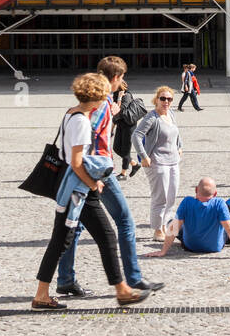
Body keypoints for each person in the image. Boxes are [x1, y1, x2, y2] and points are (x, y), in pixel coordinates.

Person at [33, 72, 153, 311]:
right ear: (98, 97)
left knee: (76, 239)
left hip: (75, 189)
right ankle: (43, 295)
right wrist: (93, 183)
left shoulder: (71, 113)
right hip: (77, 190)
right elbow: (76, 162)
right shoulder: (81, 121)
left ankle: (120, 291)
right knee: (67, 240)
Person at [56, 57, 160, 299]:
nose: (122, 82)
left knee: (76, 226)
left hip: (84, 171)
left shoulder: (98, 102)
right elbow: (90, 138)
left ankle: (65, 279)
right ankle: (132, 278)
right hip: (98, 171)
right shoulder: (102, 103)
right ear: (115, 78)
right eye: (121, 78)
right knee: (124, 221)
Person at [149, 178, 230, 260]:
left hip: (190, 246)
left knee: (171, 223)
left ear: (196, 190)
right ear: (215, 193)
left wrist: (163, 251)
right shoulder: (219, 203)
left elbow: (174, 227)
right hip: (215, 247)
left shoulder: (186, 201)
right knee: (226, 225)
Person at [133, 86, 183, 239]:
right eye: (163, 98)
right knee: (160, 197)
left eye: (169, 99)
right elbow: (136, 136)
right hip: (157, 162)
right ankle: (157, 230)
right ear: (156, 100)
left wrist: (180, 146)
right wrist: (144, 156)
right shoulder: (152, 117)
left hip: (173, 161)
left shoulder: (171, 114)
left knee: (172, 196)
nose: (166, 101)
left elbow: (176, 132)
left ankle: (167, 225)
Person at [111, 64, 143, 180]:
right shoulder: (115, 94)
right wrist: (112, 127)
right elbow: (114, 113)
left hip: (129, 126)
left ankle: (123, 173)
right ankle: (134, 164)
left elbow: (120, 110)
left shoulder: (126, 95)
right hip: (121, 124)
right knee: (116, 148)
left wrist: (119, 98)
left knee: (125, 149)